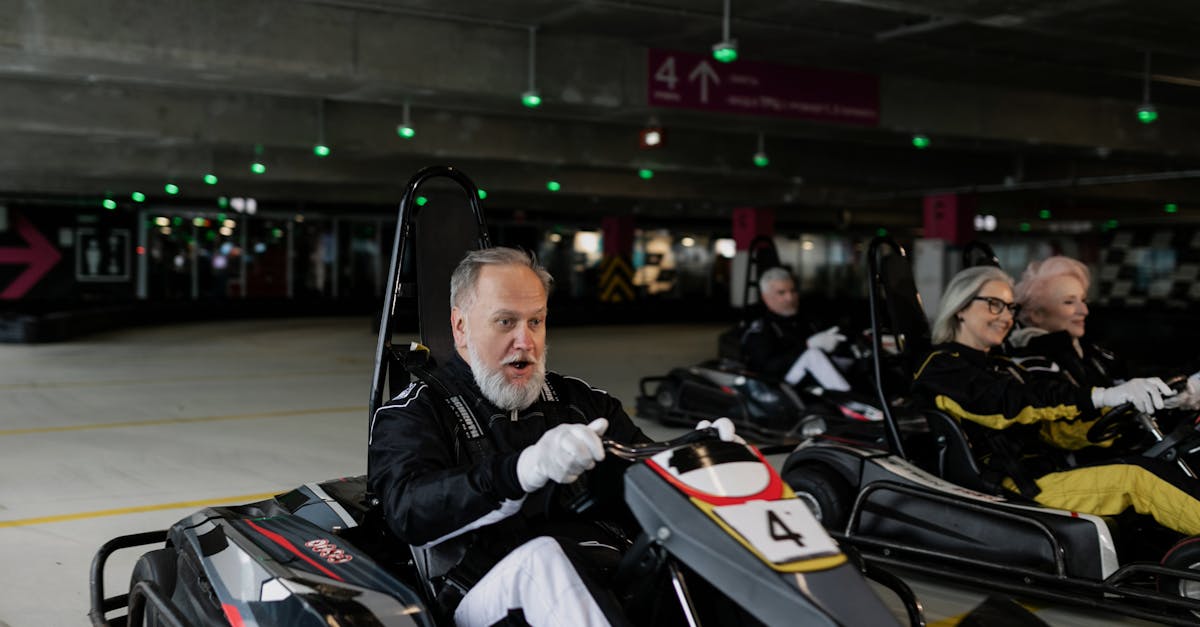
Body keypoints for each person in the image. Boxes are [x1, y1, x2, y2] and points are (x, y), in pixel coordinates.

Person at [368, 247, 741, 627]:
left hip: (601, 569)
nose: (525, 341)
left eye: (536, 321)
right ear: (461, 327)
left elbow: (647, 471)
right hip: (484, 588)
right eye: (505, 322)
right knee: (543, 561)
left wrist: (705, 461)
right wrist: (521, 471)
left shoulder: (581, 403)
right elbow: (408, 509)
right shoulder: (414, 412)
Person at [911, 265, 1200, 537]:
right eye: (994, 304)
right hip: (1013, 486)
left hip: (1043, 472)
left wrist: (1139, 407)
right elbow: (1010, 404)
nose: (1005, 316)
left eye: (1010, 307)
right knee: (1137, 479)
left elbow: (1056, 429)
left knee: (1149, 466)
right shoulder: (942, 367)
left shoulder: (1000, 364)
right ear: (961, 307)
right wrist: (1102, 396)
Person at [1009, 255, 1200, 409]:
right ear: (1036, 314)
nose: (1084, 311)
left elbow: (1128, 376)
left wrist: (1184, 387)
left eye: (1083, 300)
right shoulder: (1030, 363)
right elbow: (1063, 424)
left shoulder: (1087, 352)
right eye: (1069, 302)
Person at [740, 267, 849, 391]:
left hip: (808, 384)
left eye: (793, 291)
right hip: (776, 388)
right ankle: (855, 407)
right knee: (812, 355)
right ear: (766, 298)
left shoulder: (806, 320)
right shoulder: (760, 329)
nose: (790, 298)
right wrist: (807, 345)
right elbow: (766, 367)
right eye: (782, 293)